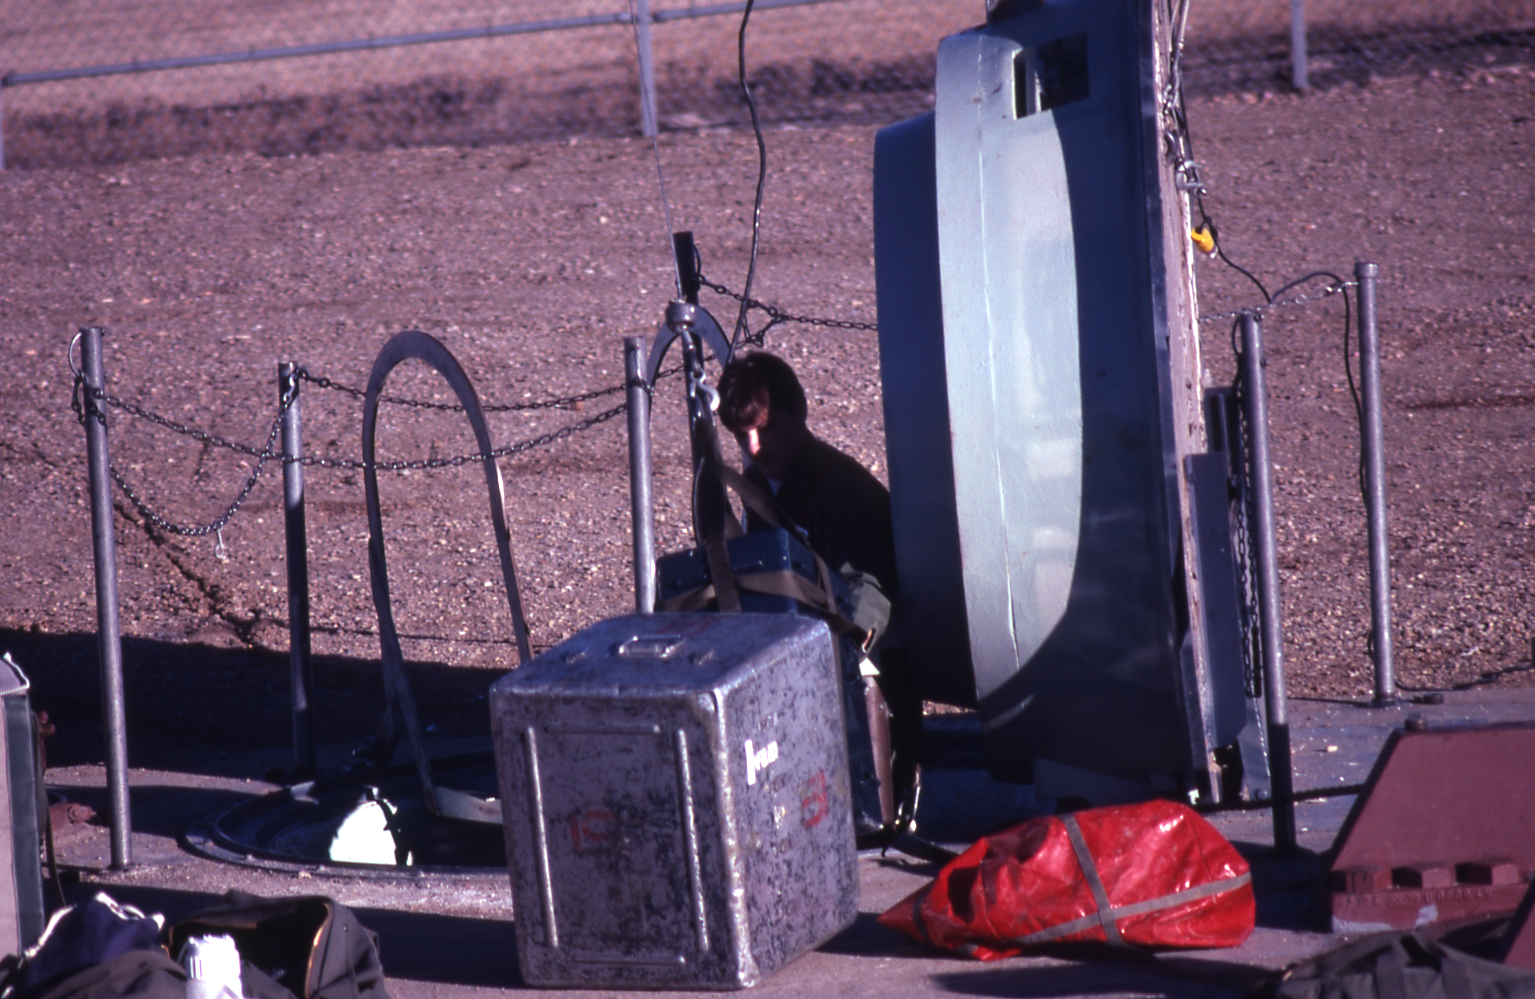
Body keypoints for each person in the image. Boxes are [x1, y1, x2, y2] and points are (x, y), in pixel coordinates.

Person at [715, 351, 920, 819]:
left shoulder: (840, 489)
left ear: (797, 414)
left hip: (864, 664)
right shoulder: (759, 483)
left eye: (765, 429)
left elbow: (869, 593)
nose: (752, 445)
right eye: (740, 435)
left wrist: (840, 642)